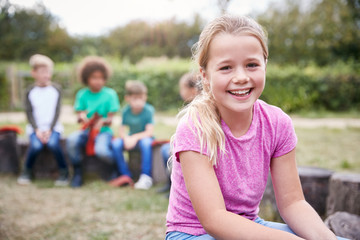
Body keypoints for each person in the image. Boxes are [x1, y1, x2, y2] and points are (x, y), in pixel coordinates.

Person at [165, 15, 348, 240]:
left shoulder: (277, 123)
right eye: (226, 68)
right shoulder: (195, 128)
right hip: (193, 234)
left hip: (249, 226)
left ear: (265, 65)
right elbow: (214, 219)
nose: (241, 77)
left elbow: (293, 203)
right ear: (205, 76)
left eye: (252, 65)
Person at [66, 56, 120, 188]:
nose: (98, 81)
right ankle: (78, 172)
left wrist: (102, 122)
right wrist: (83, 117)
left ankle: (113, 170)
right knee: (72, 141)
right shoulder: (82, 94)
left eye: (101, 78)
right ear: (86, 78)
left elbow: (110, 118)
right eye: (94, 78)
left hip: (103, 132)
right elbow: (80, 114)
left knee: (101, 150)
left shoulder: (110, 94)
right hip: (86, 131)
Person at [17, 54, 69, 186]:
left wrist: (50, 129)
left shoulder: (56, 90)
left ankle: (64, 172)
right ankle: (26, 172)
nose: (46, 75)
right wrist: (37, 130)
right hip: (36, 129)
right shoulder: (30, 91)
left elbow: (57, 112)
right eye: (42, 72)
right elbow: (29, 113)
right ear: (33, 73)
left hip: (53, 128)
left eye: (48, 72)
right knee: (35, 146)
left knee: (53, 144)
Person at [158, 72, 200, 194]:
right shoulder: (189, 106)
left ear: (192, 90)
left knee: (170, 152)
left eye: (182, 88)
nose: (180, 92)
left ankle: (176, 188)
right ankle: (169, 184)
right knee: (165, 149)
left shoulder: (198, 107)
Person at [110, 80, 155, 190]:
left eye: (141, 98)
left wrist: (134, 138)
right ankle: (125, 175)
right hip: (130, 139)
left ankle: (146, 176)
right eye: (135, 98)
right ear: (128, 98)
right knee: (116, 144)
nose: (139, 102)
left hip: (143, 138)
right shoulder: (125, 111)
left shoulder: (148, 110)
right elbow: (121, 130)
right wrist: (126, 138)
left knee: (146, 143)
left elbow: (149, 132)